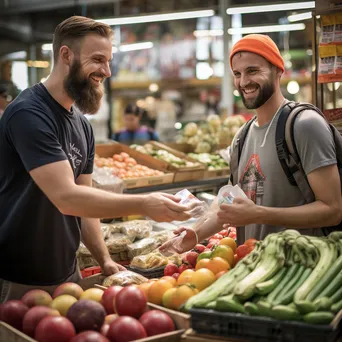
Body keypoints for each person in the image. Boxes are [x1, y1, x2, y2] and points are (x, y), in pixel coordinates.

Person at [0, 16, 191, 301]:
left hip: (67, 273)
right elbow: (67, 198)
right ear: (66, 55)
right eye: (98, 60)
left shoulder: (82, 125)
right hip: (19, 278)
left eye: (108, 61)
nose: (107, 71)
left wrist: (104, 260)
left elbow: (85, 202)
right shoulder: (29, 113)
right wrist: (144, 203)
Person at [160, 34, 342, 254]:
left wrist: (258, 214)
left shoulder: (304, 125)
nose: (244, 81)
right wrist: (196, 233)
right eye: (237, 74)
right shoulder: (241, 136)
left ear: (278, 70)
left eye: (253, 71)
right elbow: (229, 199)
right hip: (256, 267)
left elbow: (333, 209)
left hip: (303, 270)